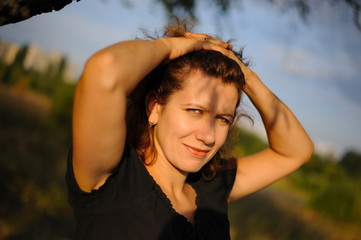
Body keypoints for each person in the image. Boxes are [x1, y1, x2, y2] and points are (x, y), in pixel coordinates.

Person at [66, 21, 314, 240]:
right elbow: (105, 70)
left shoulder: (210, 186)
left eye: (222, 119)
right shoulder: (111, 179)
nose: (207, 136)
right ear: (155, 108)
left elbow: (296, 150)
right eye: (195, 111)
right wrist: (172, 47)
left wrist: (245, 75)